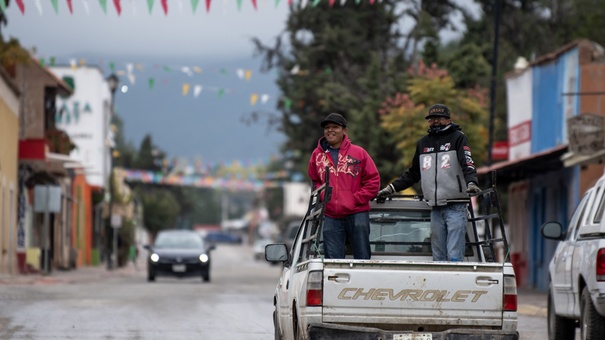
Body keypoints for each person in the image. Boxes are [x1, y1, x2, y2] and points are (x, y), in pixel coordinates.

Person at [377, 104, 481, 262]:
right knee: (438, 256)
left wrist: (472, 182)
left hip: (456, 205)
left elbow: (467, 162)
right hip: (435, 207)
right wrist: (391, 188)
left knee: (454, 254)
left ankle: (454, 285)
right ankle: (441, 286)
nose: (435, 121)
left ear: (448, 120)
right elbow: (413, 173)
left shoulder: (458, 137)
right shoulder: (423, 143)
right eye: (431, 119)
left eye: (439, 118)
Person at [308, 112, 380, 260]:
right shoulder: (317, 155)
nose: (330, 130)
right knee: (333, 262)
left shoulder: (359, 153)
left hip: (357, 212)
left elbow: (373, 181)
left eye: (335, 127)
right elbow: (315, 180)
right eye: (327, 127)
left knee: (362, 258)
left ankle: (364, 282)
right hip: (330, 215)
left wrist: (354, 199)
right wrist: (323, 196)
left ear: (345, 130)